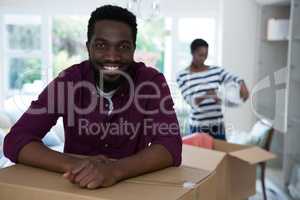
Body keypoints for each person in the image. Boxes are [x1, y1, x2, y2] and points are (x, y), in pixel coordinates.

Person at [4, 5, 182, 189]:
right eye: (101, 45)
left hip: (130, 188)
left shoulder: (151, 82)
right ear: (88, 47)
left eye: (123, 46)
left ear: (133, 49)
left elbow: (170, 146)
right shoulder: (69, 81)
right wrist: (77, 166)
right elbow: (16, 140)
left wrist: (114, 170)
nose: (112, 56)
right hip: (74, 188)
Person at [176, 38, 249, 140]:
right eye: (200, 55)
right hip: (198, 127)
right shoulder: (182, 76)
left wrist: (242, 85)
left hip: (217, 125)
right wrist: (207, 95)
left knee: (221, 154)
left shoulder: (216, 71)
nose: (203, 58)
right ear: (192, 53)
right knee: (200, 155)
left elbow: (234, 79)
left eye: (205, 55)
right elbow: (190, 101)